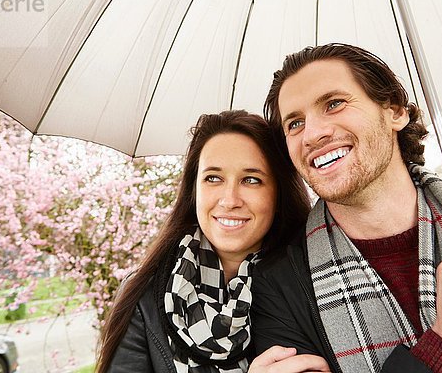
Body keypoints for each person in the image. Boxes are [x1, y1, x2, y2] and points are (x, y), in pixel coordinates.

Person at [251, 43, 442, 373]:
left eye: (334, 104)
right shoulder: (278, 288)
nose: (312, 134)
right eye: (294, 123)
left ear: (395, 110)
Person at [96, 110, 316, 372]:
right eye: (213, 178)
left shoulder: (308, 286)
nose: (230, 200)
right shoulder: (143, 295)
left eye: (251, 180)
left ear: (278, 194)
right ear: (194, 190)